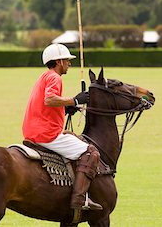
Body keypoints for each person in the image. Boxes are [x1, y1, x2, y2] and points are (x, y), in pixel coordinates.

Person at [22, 43, 103, 211]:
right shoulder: (55, 77)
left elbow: (45, 107)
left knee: (74, 137)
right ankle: (80, 200)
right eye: (67, 60)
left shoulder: (44, 76)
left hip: (34, 129)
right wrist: (75, 100)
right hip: (46, 134)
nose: (69, 64)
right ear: (58, 61)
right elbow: (49, 100)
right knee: (91, 152)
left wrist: (66, 109)